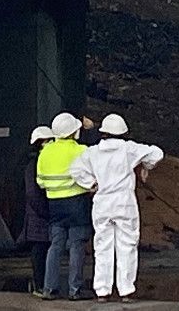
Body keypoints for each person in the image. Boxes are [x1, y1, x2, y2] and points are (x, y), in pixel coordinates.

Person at [69, 113, 164, 304]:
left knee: (102, 246)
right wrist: (146, 165)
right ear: (123, 133)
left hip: (102, 203)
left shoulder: (92, 152)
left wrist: (91, 184)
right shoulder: (128, 149)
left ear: (103, 132)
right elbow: (157, 153)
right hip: (124, 203)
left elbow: (75, 169)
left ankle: (102, 291)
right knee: (127, 245)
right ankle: (126, 290)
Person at [37, 111, 94, 301]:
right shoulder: (80, 150)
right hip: (77, 204)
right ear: (73, 132)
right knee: (77, 246)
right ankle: (74, 290)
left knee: (55, 246)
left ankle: (49, 289)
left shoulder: (45, 152)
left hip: (54, 205)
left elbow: (41, 182)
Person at [23, 125, 55, 297]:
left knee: (47, 251)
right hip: (38, 216)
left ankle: (45, 285)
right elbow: (32, 194)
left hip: (43, 214)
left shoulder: (43, 161)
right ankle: (40, 285)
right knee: (39, 252)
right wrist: (45, 211)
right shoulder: (33, 165)